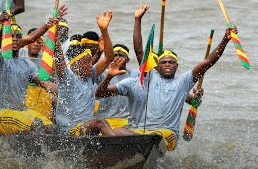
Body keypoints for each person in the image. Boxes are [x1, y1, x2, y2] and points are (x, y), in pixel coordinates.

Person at [96, 26, 236, 151]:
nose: (167, 64)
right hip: (144, 133)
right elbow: (139, 50)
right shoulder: (152, 77)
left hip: (167, 133)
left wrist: (225, 40)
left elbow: (207, 63)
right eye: (163, 62)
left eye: (171, 62)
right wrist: (138, 19)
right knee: (119, 131)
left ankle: (139, 152)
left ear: (177, 66)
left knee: (153, 138)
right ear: (158, 66)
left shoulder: (183, 81)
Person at [0, 6, 67, 135]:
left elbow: (44, 83)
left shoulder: (27, 64)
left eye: (18, 37)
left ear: (22, 41)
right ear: (4, 38)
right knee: (36, 124)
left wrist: (63, 93)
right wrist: (3, 27)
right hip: (1, 113)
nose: (14, 39)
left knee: (52, 128)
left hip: (21, 111)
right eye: (11, 36)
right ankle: (36, 155)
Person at [54, 10, 132, 136]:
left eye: (91, 62)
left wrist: (104, 31)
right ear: (76, 63)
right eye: (87, 62)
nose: (92, 65)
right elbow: (58, 55)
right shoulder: (66, 77)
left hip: (88, 129)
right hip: (70, 131)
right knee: (100, 123)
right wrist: (53, 29)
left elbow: (108, 57)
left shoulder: (90, 76)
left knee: (122, 132)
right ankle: (114, 145)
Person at [93, 44, 140, 129]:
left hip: (125, 121)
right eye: (115, 55)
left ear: (128, 60)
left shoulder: (135, 74)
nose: (117, 58)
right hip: (105, 119)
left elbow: (145, 64)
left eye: (121, 55)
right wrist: (99, 52)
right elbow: (90, 71)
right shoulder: (103, 73)